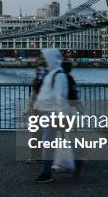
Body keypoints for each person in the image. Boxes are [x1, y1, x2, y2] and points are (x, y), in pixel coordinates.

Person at [32, 49, 78, 183]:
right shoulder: (51, 73)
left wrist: (61, 115)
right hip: (48, 113)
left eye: (45, 57)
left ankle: (47, 173)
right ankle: (64, 164)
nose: (42, 60)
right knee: (55, 141)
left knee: (50, 142)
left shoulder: (58, 75)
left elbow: (60, 97)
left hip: (53, 114)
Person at [25, 60, 47, 164]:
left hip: (38, 112)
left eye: (40, 70)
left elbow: (35, 98)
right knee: (37, 135)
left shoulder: (40, 82)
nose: (38, 71)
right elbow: (33, 98)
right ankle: (37, 157)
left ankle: (36, 157)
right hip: (35, 111)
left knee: (36, 135)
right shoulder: (39, 82)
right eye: (38, 70)